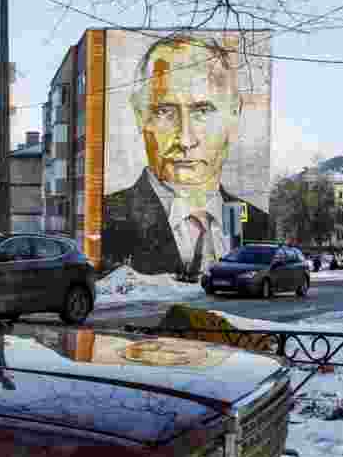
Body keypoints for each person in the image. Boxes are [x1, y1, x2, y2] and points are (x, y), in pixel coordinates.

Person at [102, 34, 260, 277]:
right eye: (164, 111)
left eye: (203, 110)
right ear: (139, 115)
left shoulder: (257, 224)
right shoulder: (108, 220)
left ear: (234, 114)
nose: (185, 140)